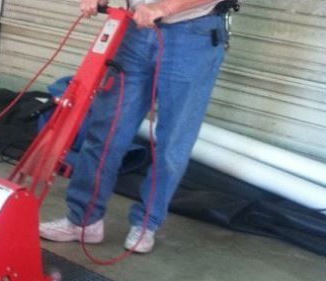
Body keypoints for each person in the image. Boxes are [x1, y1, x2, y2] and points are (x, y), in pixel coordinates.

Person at [40, 0, 233, 253]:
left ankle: (146, 223)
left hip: (192, 36)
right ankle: (83, 220)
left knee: (172, 142)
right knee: (105, 131)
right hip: (136, 31)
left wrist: (163, 8)